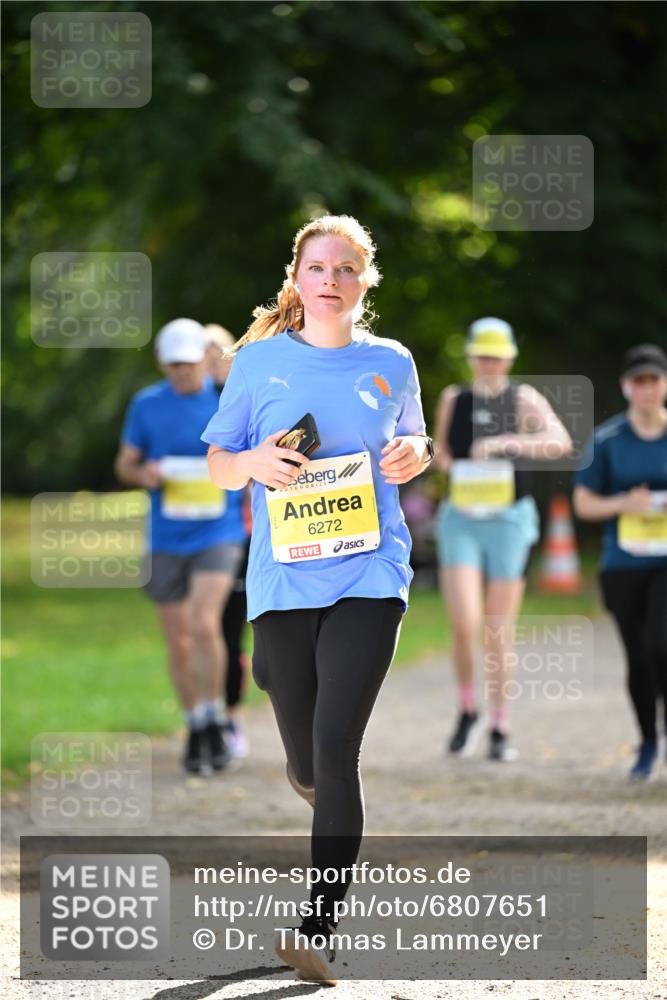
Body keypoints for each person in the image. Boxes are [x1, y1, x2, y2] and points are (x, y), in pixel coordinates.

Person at [201, 214, 432, 985]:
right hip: (283, 581)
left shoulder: (391, 361)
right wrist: (251, 462)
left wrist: (415, 451)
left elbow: (414, 439)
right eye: (317, 268)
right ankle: (314, 785)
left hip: (371, 572)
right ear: (296, 280)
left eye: (345, 268)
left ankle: (317, 929)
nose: (330, 280)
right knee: (303, 754)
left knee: (336, 751)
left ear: (365, 280)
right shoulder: (258, 362)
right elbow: (218, 464)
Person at [433, 318, 572, 761]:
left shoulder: (523, 398)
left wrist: (506, 443)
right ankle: (467, 708)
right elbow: (440, 451)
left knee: (498, 629)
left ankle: (499, 723)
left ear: (509, 359)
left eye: (496, 357)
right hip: (462, 517)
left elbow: (559, 441)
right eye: (482, 356)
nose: (489, 364)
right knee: (464, 623)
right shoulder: (454, 398)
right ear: (471, 357)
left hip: (509, 520)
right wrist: (447, 463)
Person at [114, 318, 247, 775]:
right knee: (178, 639)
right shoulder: (146, 405)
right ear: (161, 363)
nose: (182, 372)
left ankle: (215, 718)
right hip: (166, 537)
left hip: (218, 532)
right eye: (173, 365)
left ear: (204, 359)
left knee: (204, 623)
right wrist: (143, 474)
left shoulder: (226, 401)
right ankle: (195, 724)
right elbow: (125, 463)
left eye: (188, 364)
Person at [573, 344, 667, 781]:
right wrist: (623, 503)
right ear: (627, 387)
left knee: (662, 644)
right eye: (639, 381)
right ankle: (648, 742)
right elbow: (584, 504)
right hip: (623, 564)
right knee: (639, 655)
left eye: (655, 380)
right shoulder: (607, 439)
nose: (647, 389)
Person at [204, 323, 251, 758]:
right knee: (207, 628)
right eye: (204, 353)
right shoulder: (191, 405)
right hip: (201, 535)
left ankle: (232, 715)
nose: (212, 360)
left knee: (234, 629)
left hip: (245, 533)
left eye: (218, 351)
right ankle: (209, 716)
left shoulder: (244, 397)